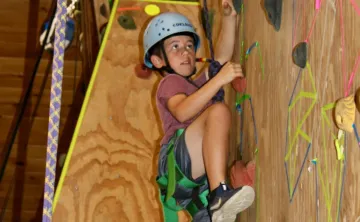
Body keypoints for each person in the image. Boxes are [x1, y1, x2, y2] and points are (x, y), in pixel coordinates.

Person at [142, 1, 255, 221]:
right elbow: (182, 112)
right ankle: (219, 195)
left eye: (188, 46)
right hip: (176, 161)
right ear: (158, 60)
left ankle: (215, 203)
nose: (185, 52)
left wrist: (229, 19)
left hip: (193, 178)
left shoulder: (197, 87)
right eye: (174, 46)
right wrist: (219, 80)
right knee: (218, 112)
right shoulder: (170, 83)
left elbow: (220, 59)